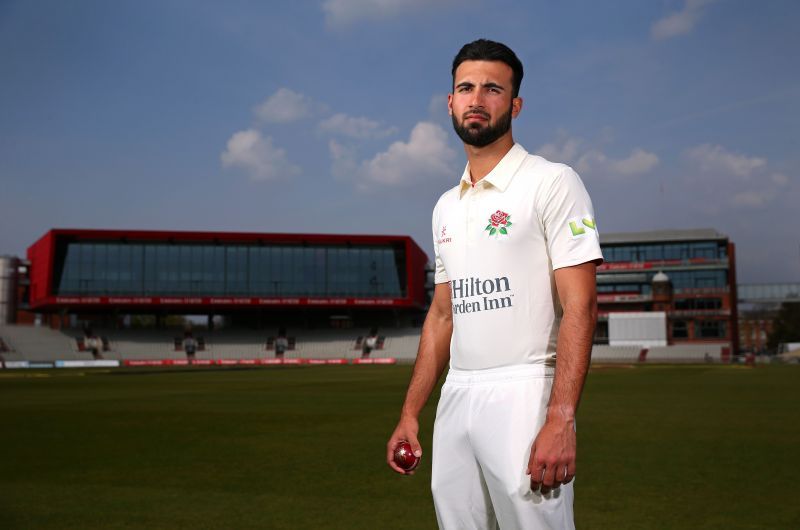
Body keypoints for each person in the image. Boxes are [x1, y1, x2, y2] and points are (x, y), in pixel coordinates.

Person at [386, 39, 603, 529]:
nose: (477, 99)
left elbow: (581, 306)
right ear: (450, 102)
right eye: (466, 88)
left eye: (492, 89)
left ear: (516, 104)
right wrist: (409, 412)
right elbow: (442, 315)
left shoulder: (553, 181)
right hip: (457, 395)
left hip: (526, 390)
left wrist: (561, 416)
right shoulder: (445, 205)